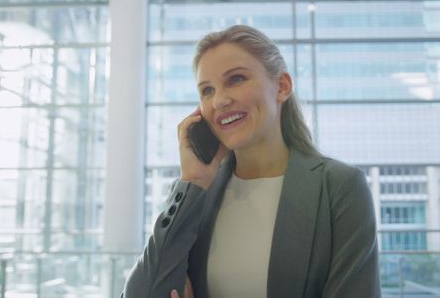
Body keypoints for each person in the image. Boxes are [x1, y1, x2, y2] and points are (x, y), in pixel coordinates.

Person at [122, 25, 380, 298]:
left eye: (236, 79)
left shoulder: (340, 187)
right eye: (207, 90)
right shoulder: (198, 194)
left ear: (282, 86)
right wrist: (193, 182)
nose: (220, 100)